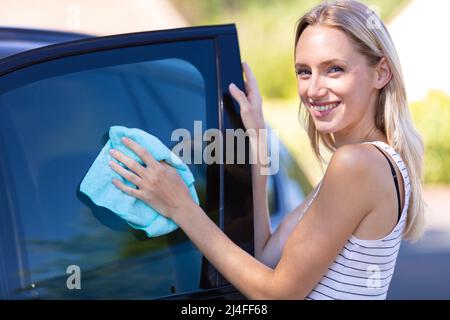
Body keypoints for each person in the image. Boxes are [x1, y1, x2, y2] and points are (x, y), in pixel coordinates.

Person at [108, 0, 425, 299]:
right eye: (304, 71)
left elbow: (276, 294)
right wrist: (258, 147)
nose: (313, 89)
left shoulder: (358, 163)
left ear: (381, 73)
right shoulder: (368, 162)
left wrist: (182, 207)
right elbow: (264, 258)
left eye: (334, 69)